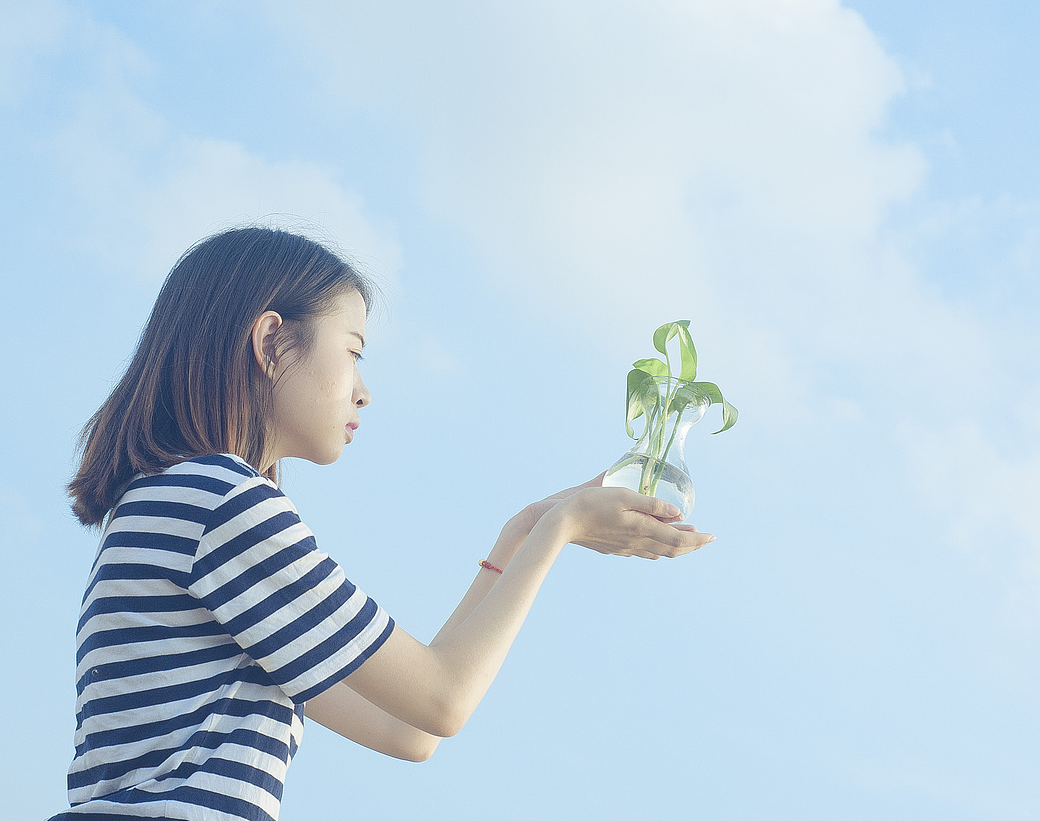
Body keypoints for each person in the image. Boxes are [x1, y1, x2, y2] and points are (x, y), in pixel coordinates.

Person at [49, 226, 715, 821]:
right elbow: (441, 702)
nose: (364, 389)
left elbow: (409, 731)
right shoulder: (221, 500)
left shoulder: (179, 502)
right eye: (353, 350)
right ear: (271, 340)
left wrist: (520, 535)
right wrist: (559, 530)